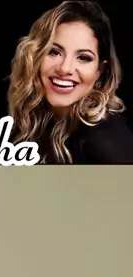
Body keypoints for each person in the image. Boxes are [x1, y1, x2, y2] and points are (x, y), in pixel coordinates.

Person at [8, 0, 133, 164]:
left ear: (100, 70)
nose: (64, 68)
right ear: (35, 56)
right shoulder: (35, 118)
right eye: (54, 52)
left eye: (83, 58)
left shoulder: (105, 139)